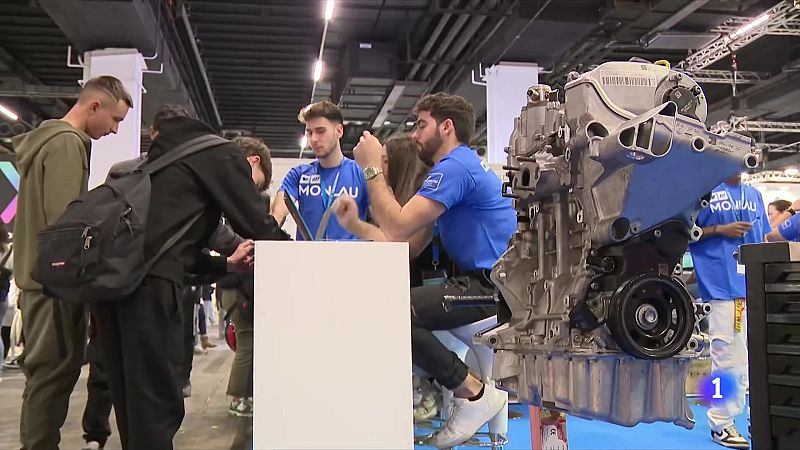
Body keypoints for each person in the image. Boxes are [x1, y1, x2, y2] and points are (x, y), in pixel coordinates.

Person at [91, 106, 289, 450]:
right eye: (253, 185)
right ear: (252, 161)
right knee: (157, 406)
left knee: (132, 405)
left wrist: (226, 266)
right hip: (150, 293)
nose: (248, 190)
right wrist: (299, 254)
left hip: (115, 286)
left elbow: (176, 251)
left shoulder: (165, 165)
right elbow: (255, 222)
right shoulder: (221, 156)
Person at [333, 93, 515, 448]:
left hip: (495, 289)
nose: (414, 134)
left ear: (446, 127)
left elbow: (398, 228)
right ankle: (470, 392)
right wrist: (357, 225)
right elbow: (404, 247)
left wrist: (370, 168)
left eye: (421, 125)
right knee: (389, 307)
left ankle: (474, 393)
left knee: (391, 311)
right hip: (486, 285)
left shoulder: (455, 167)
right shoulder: (452, 172)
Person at [12, 75, 131, 450]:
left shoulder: (46, 142)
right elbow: (64, 228)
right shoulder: (67, 145)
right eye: (115, 120)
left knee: (44, 375)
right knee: (53, 374)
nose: (114, 131)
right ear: (94, 106)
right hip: (54, 287)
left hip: (38, 282)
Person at [690, 175, 770, 449]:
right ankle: (720, 423)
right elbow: (686, 231)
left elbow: (766, 235)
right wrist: (719, 230)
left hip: (754, 284)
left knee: (753, 361)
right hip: (721, 286)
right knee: (726, 358)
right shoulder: (706, 190)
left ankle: (754, 418)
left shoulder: (755, 194)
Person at [270, 101, 369, 240]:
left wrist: (372, 168)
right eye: (309, 133)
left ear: (339, 131)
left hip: (351, 258)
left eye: (320, 131)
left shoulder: (361, 172)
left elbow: (381, 212)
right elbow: (278, 213)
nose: (314, 139)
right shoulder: (298, 175)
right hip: (308, 258)